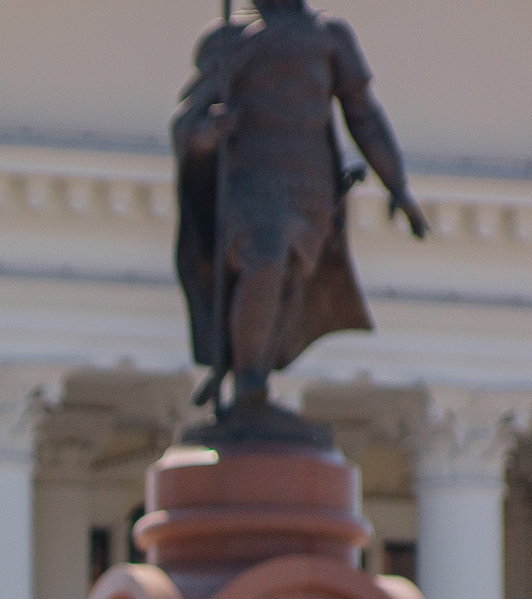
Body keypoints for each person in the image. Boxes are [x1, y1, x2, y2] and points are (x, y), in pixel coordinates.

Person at [172, 0, 426, 421]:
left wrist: (397, 186)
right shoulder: (229, 40)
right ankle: (249, 383)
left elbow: (362, 114)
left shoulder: (329, 37)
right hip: (251, 180)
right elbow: (187, 122)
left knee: (288, 281)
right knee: (266, 255)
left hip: (309, 185)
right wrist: (207, 132)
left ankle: (240, 366)